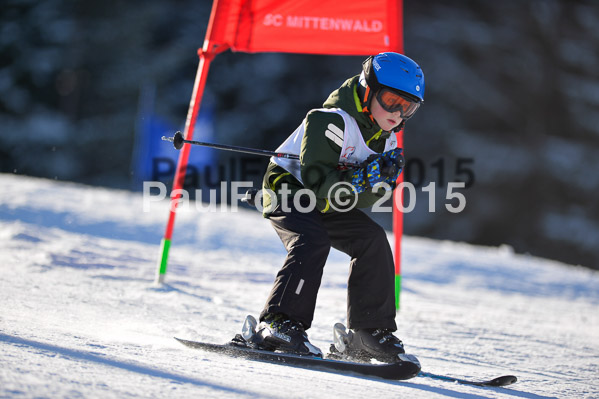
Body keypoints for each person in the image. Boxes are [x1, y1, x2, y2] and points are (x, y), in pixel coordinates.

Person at [253, 52, 424, 363]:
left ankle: (367, 332)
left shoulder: (386, 141)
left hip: (329, 202)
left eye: (407, 107)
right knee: (312, 239)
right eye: (390, 100)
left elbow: (363, 201)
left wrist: (381, 182)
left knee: (371, 238)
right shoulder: (328, 120)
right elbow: (317, 184)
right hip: (288, 189)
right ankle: (278, 323)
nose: (397, 113)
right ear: (367, 89)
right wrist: (364, 177)